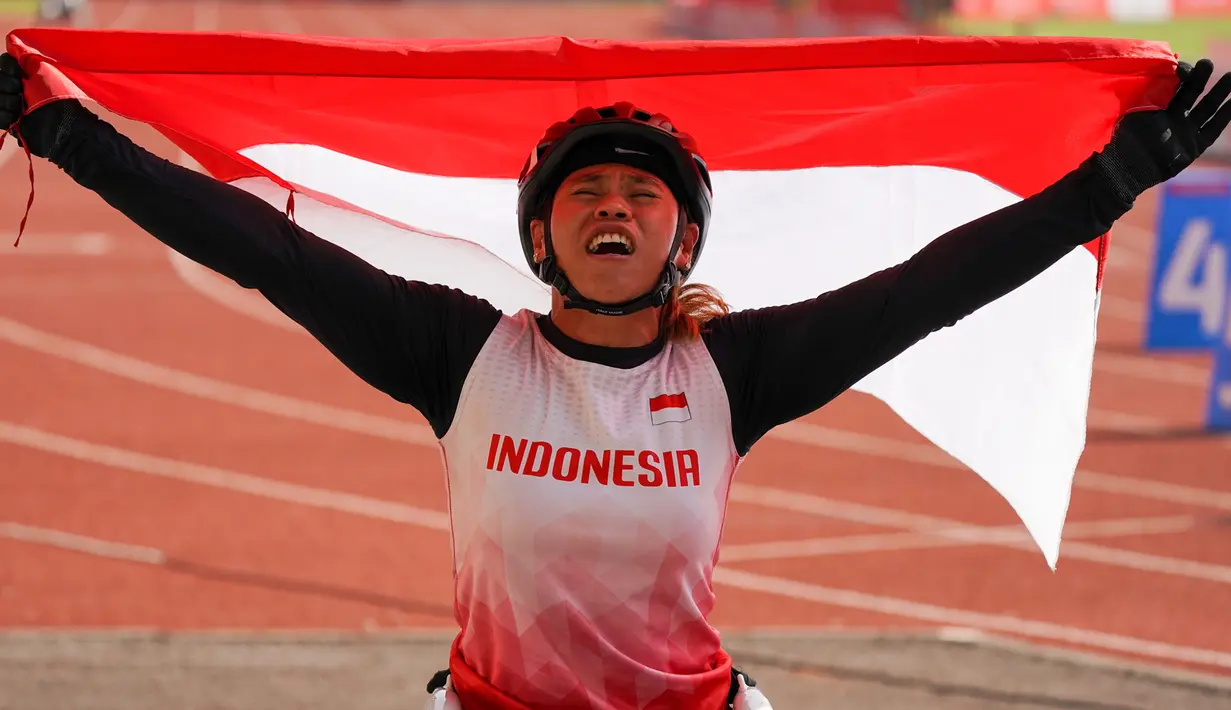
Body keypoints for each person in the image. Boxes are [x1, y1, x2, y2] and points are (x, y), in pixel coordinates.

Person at [1, 51, 1228, 710]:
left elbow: (932, 284)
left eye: (641, 194)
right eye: (584, 191)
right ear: (542, 235)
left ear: (679, 242)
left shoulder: (734, 371)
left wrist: (1107, 184)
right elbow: (259, 247)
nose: (612, 207)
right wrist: (67, 133)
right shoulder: (460, 353)